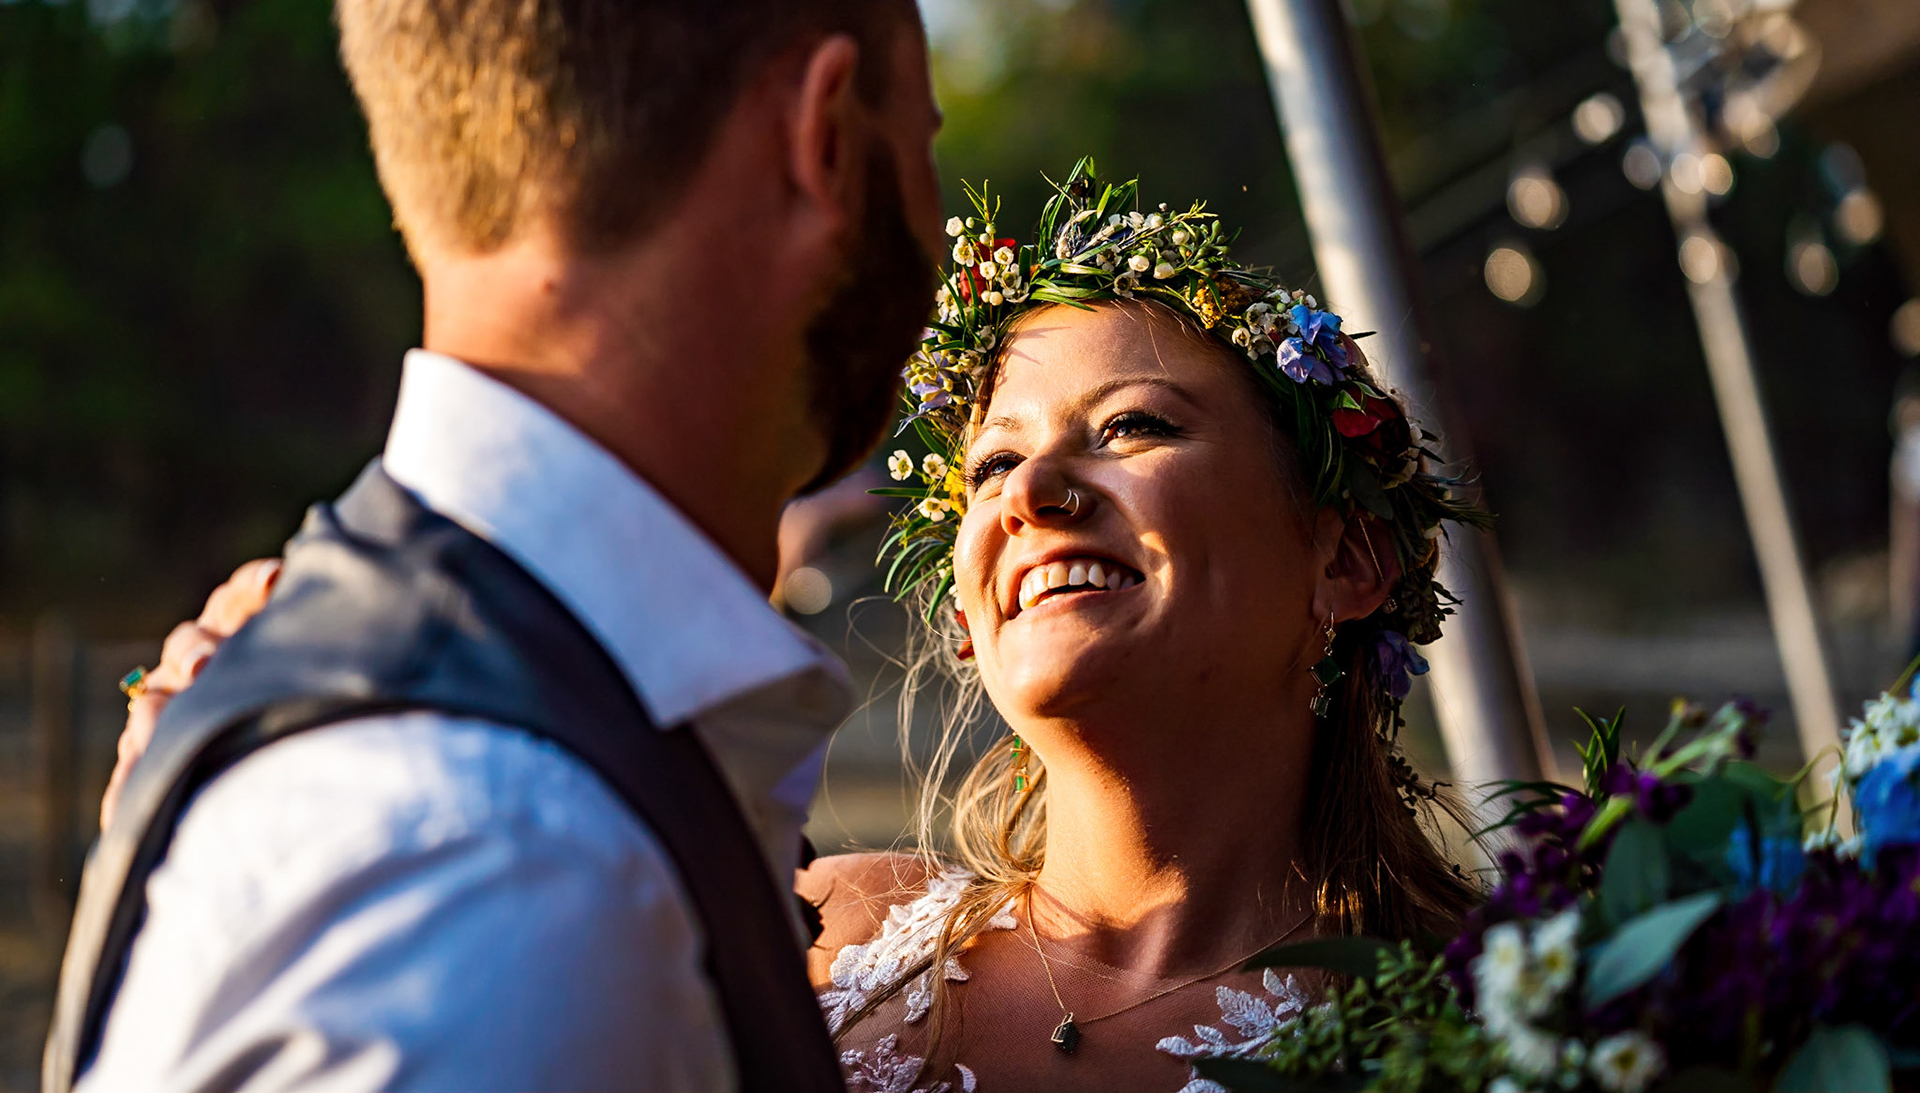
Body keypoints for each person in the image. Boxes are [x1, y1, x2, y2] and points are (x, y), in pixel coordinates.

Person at [111, 164, 1486, 1091]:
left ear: (1350, 558)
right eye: (995, 468)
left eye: (1135, 428)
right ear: (965, 608)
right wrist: (200, 812)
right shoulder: (807, 927)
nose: (1039, 494)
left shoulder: (1501, 1020)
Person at [50, 0, 944, 1089]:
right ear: (823, 141)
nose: (941, 212)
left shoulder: (505, 744)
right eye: (927, 140)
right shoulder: (494, 861)